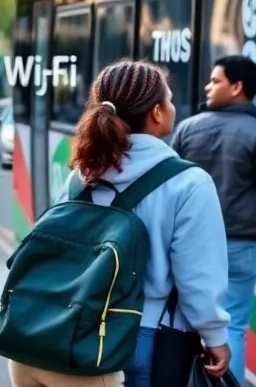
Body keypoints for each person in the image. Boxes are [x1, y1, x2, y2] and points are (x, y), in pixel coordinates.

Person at [10, 60, 231, 387]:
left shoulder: (80, 178)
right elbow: (198, 277)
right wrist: (216, 337)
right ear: (156, 113)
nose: (172, 107)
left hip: (64, 331)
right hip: (146, 339)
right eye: (168, 99)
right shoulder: (189, 183)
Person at [170, 56, 256, 387]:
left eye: (215, 80)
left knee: (185, 320)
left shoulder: (188, 128)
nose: (208, 86)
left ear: (237, 87)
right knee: (233, 324)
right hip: (239, 243)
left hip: (189, 243)